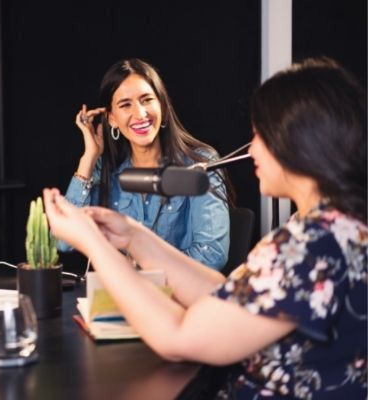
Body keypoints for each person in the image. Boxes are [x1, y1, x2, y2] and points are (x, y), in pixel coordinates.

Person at [43, 57, 366, 398]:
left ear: (301, 144)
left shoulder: (310, 248)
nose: (252, 148)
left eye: (260, 135)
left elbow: (177, 339)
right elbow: (222, 292)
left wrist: (96, 245)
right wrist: (132, 235)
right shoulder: (335, 229)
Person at [61, 58, 232, 270]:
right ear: (112, 118)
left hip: (178, 297)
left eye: (147, 100)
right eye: (125, 105)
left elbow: (213, 255)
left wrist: (139, 270)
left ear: (162, 105)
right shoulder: (106, 171)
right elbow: (64, 242)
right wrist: (88, 158)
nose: (140, 114)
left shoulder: (200, 164)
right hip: (121, 298)